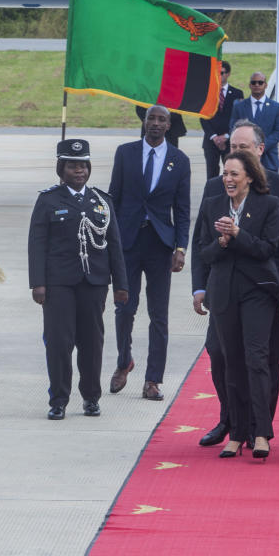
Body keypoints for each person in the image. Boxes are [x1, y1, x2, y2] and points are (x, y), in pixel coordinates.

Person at [191, 120, 279, 447]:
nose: (236, 154)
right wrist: (200, 286)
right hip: (224, 290)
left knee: (264, 359)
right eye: (232, 148)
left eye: (243, 148)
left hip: (267, 290)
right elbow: (201, 241)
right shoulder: (216, 187)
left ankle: (258, 427)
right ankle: (230, 420)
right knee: (220, 354)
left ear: (259, 150)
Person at [28, 139, 128, 420]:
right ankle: (58, 399)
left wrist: (121, 285)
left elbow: (114, 245)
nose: (79, 171)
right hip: (58, 283)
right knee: (59, 343)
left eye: (83, 165)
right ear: (62, 169)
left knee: (92, 343)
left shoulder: (101, 201)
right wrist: (38, 283)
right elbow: (37, 243)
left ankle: (91, 398)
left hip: (94, 282)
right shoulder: (48, 200)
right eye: (72, 166)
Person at [195, 150, 279, 460]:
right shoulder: (211, 205)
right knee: (231, 362)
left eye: (234, 174)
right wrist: (220, 242)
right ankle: (236, 433)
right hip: (223, 292)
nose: (228, 179)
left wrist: (238, 234)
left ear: (249, 176)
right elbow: (203, 253)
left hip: (257, 291)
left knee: (255, 359)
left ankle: (261, 433)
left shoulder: (268, 205)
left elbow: (268, 248)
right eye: (225, 173)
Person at [108, 105, 190, 400]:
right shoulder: (125, 153)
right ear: (144, 122)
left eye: (161, 120)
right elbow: (113, 199)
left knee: (159, 315)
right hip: (127, 244)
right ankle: (123, 362)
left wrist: (181, 247)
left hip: (160, 246)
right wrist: (110, 243)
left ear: (169, 125)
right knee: (124, 309)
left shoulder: (179, 161)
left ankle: (153, 379)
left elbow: (182, 210)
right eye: (151, 118)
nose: (155, 123)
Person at [229, 72, 279, 172]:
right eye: (254, 82)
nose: (257, 85)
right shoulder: (239, 106)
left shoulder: (276, 107)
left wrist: (260, 147)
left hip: (268, 160)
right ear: (250, 85)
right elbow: (233, 129)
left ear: (265, 85)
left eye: (260, 82)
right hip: (244, 160)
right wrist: (246, 147)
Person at [200, 60, 244, 180]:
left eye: (222, 73)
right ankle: (211, 198)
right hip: (211, 142)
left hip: (230, 142)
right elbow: (203, 117)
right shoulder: (207, 92)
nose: (219, 75)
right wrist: (214, 137)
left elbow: (239, 118)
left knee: (231, 174)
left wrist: (227, 136)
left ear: (228, 74)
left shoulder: (237, 93)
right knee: (211, 175)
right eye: (217, 73)